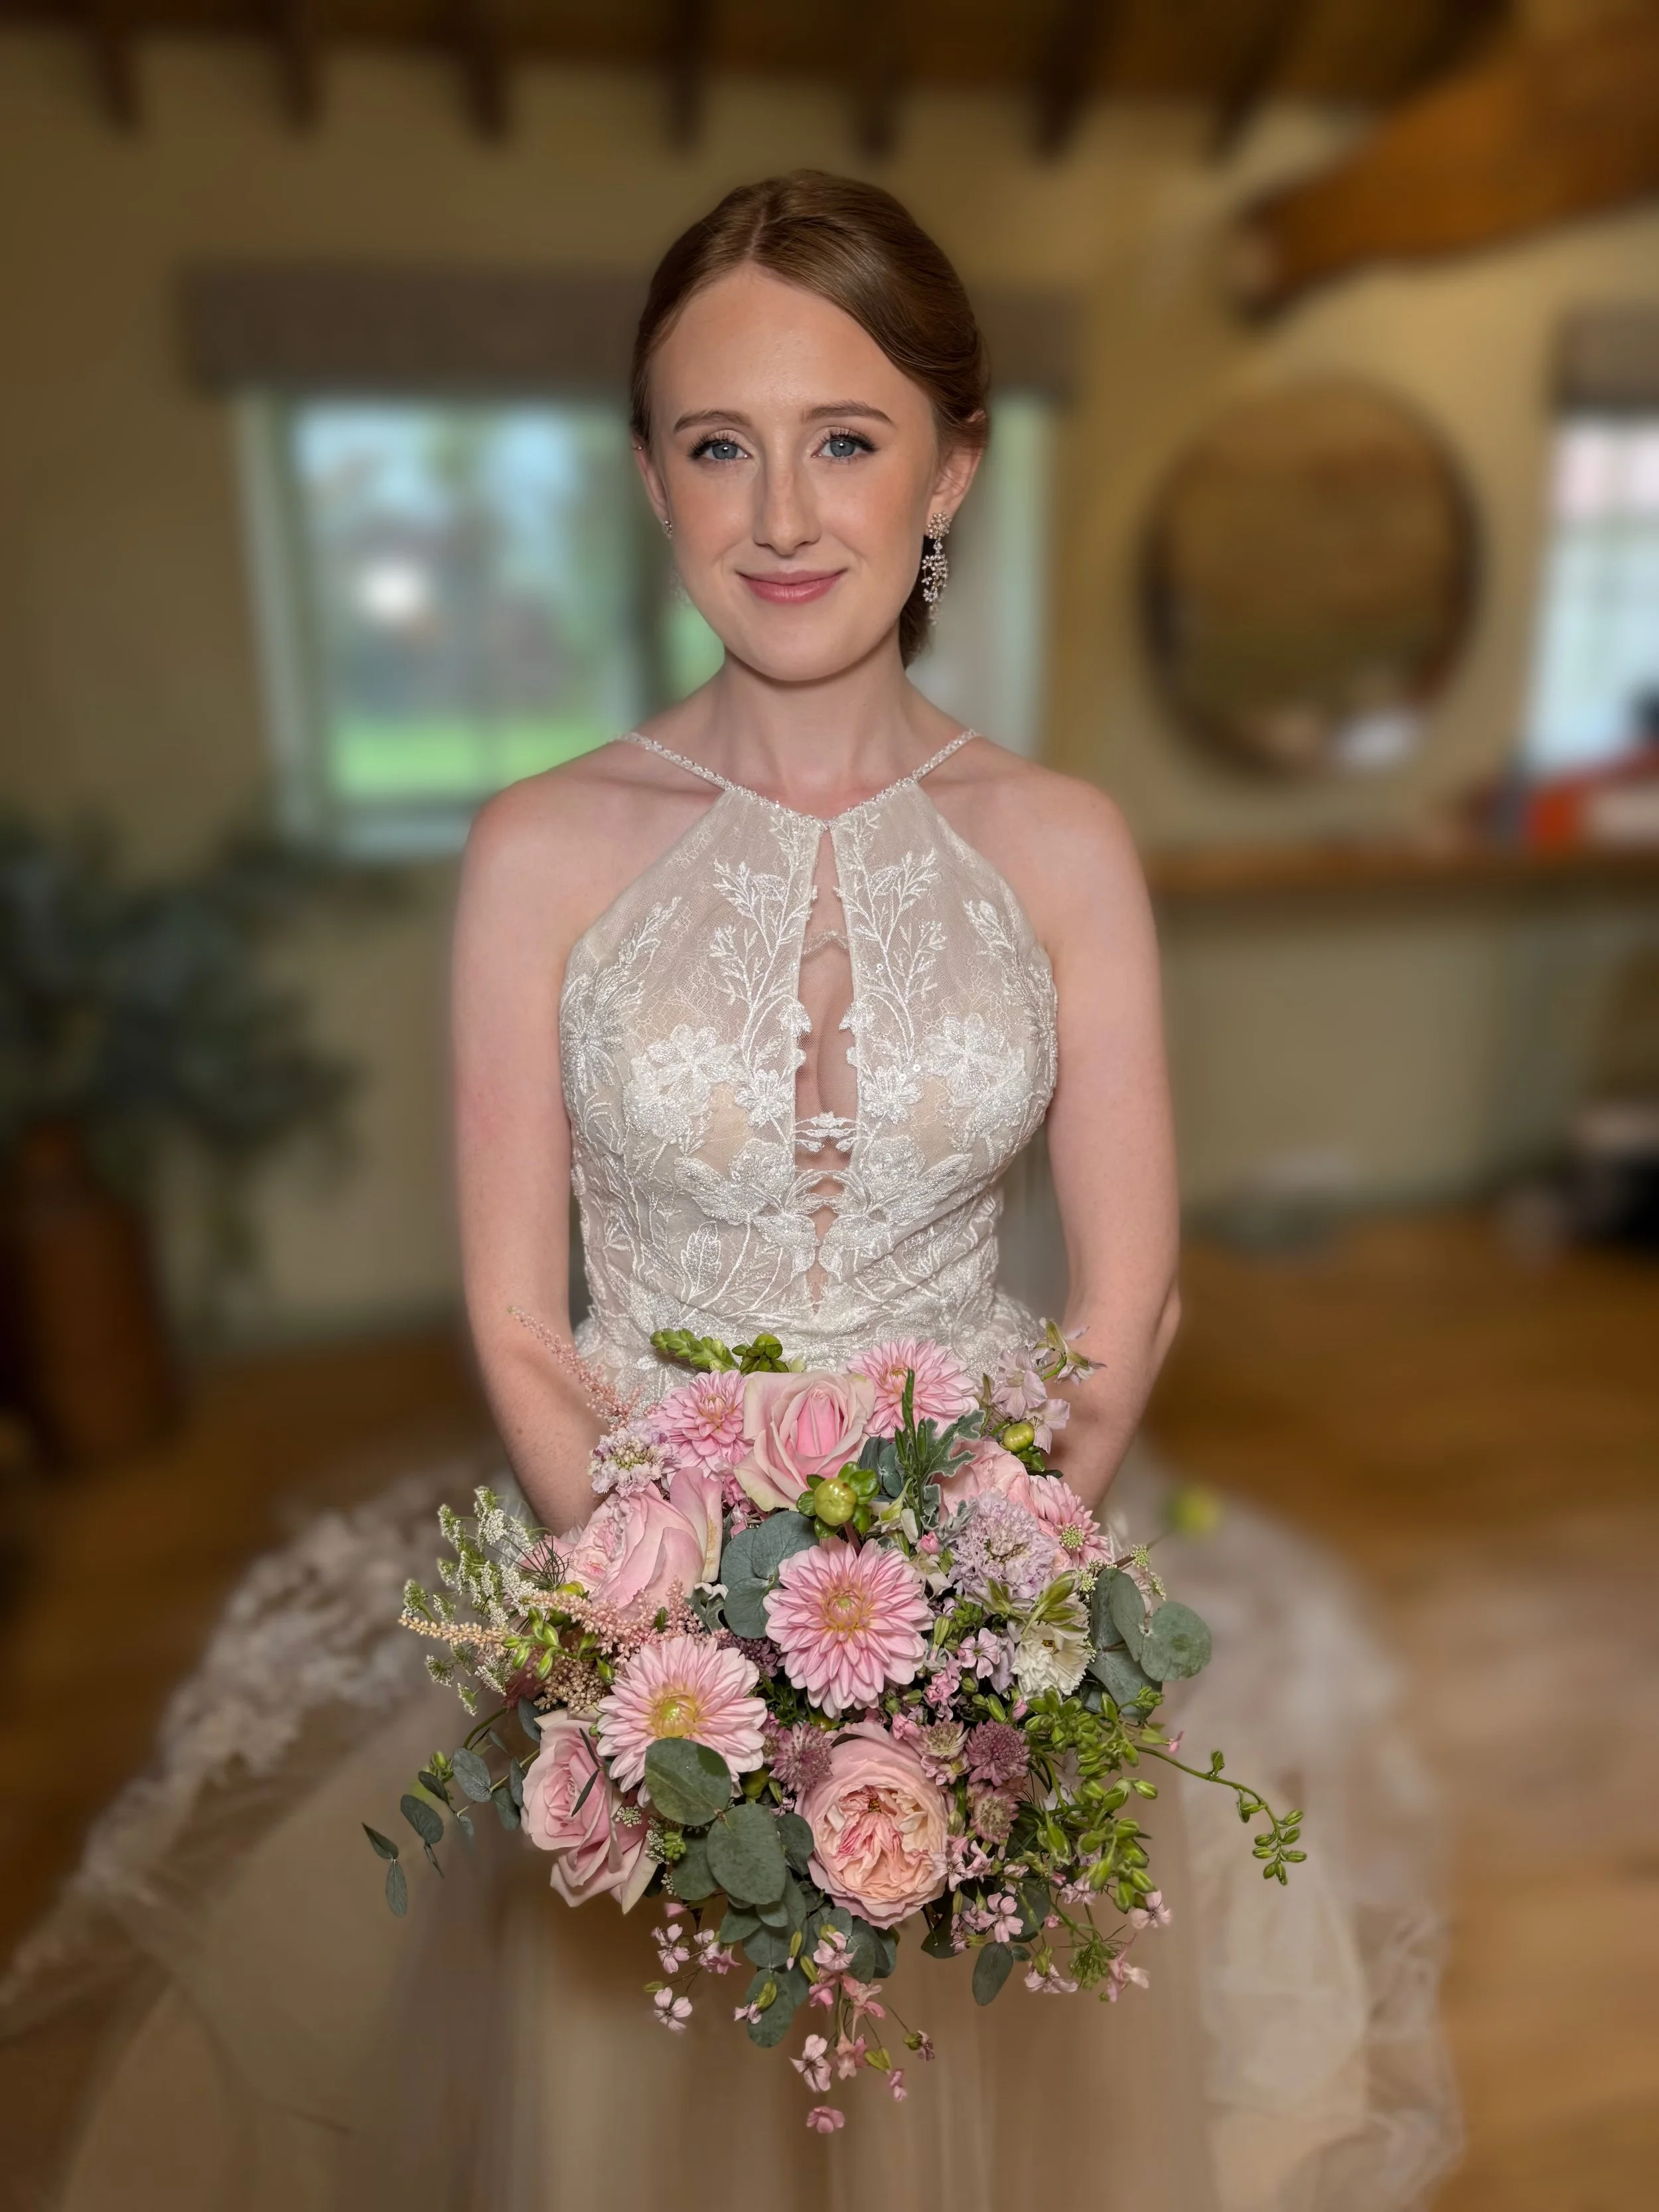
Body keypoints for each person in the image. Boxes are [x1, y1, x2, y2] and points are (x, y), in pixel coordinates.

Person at [1, 173, 1459, 2212]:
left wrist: (987, 1643)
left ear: (951, 469)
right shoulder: (539, 852)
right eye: (717, 445)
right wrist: (669, 1670)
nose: (780, 514)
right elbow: (519, 1312)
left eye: (844, 440)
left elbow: (1124, 1292)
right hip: (645, 1630)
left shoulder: (1064, 846)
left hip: (979, 1636)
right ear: (648, 483)